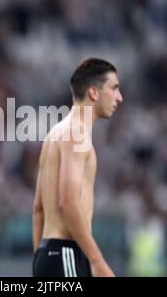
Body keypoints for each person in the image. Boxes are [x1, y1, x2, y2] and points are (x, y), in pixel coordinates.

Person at [32, 58, 123, 277]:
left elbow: (38, 209)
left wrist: (40, 260)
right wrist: (97, 261)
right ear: (93, 92)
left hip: (50, 253)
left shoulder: (55, 134)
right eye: (114, 88)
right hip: (67, 254)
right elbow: (68, 201)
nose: (119, 97)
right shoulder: (77, 133)